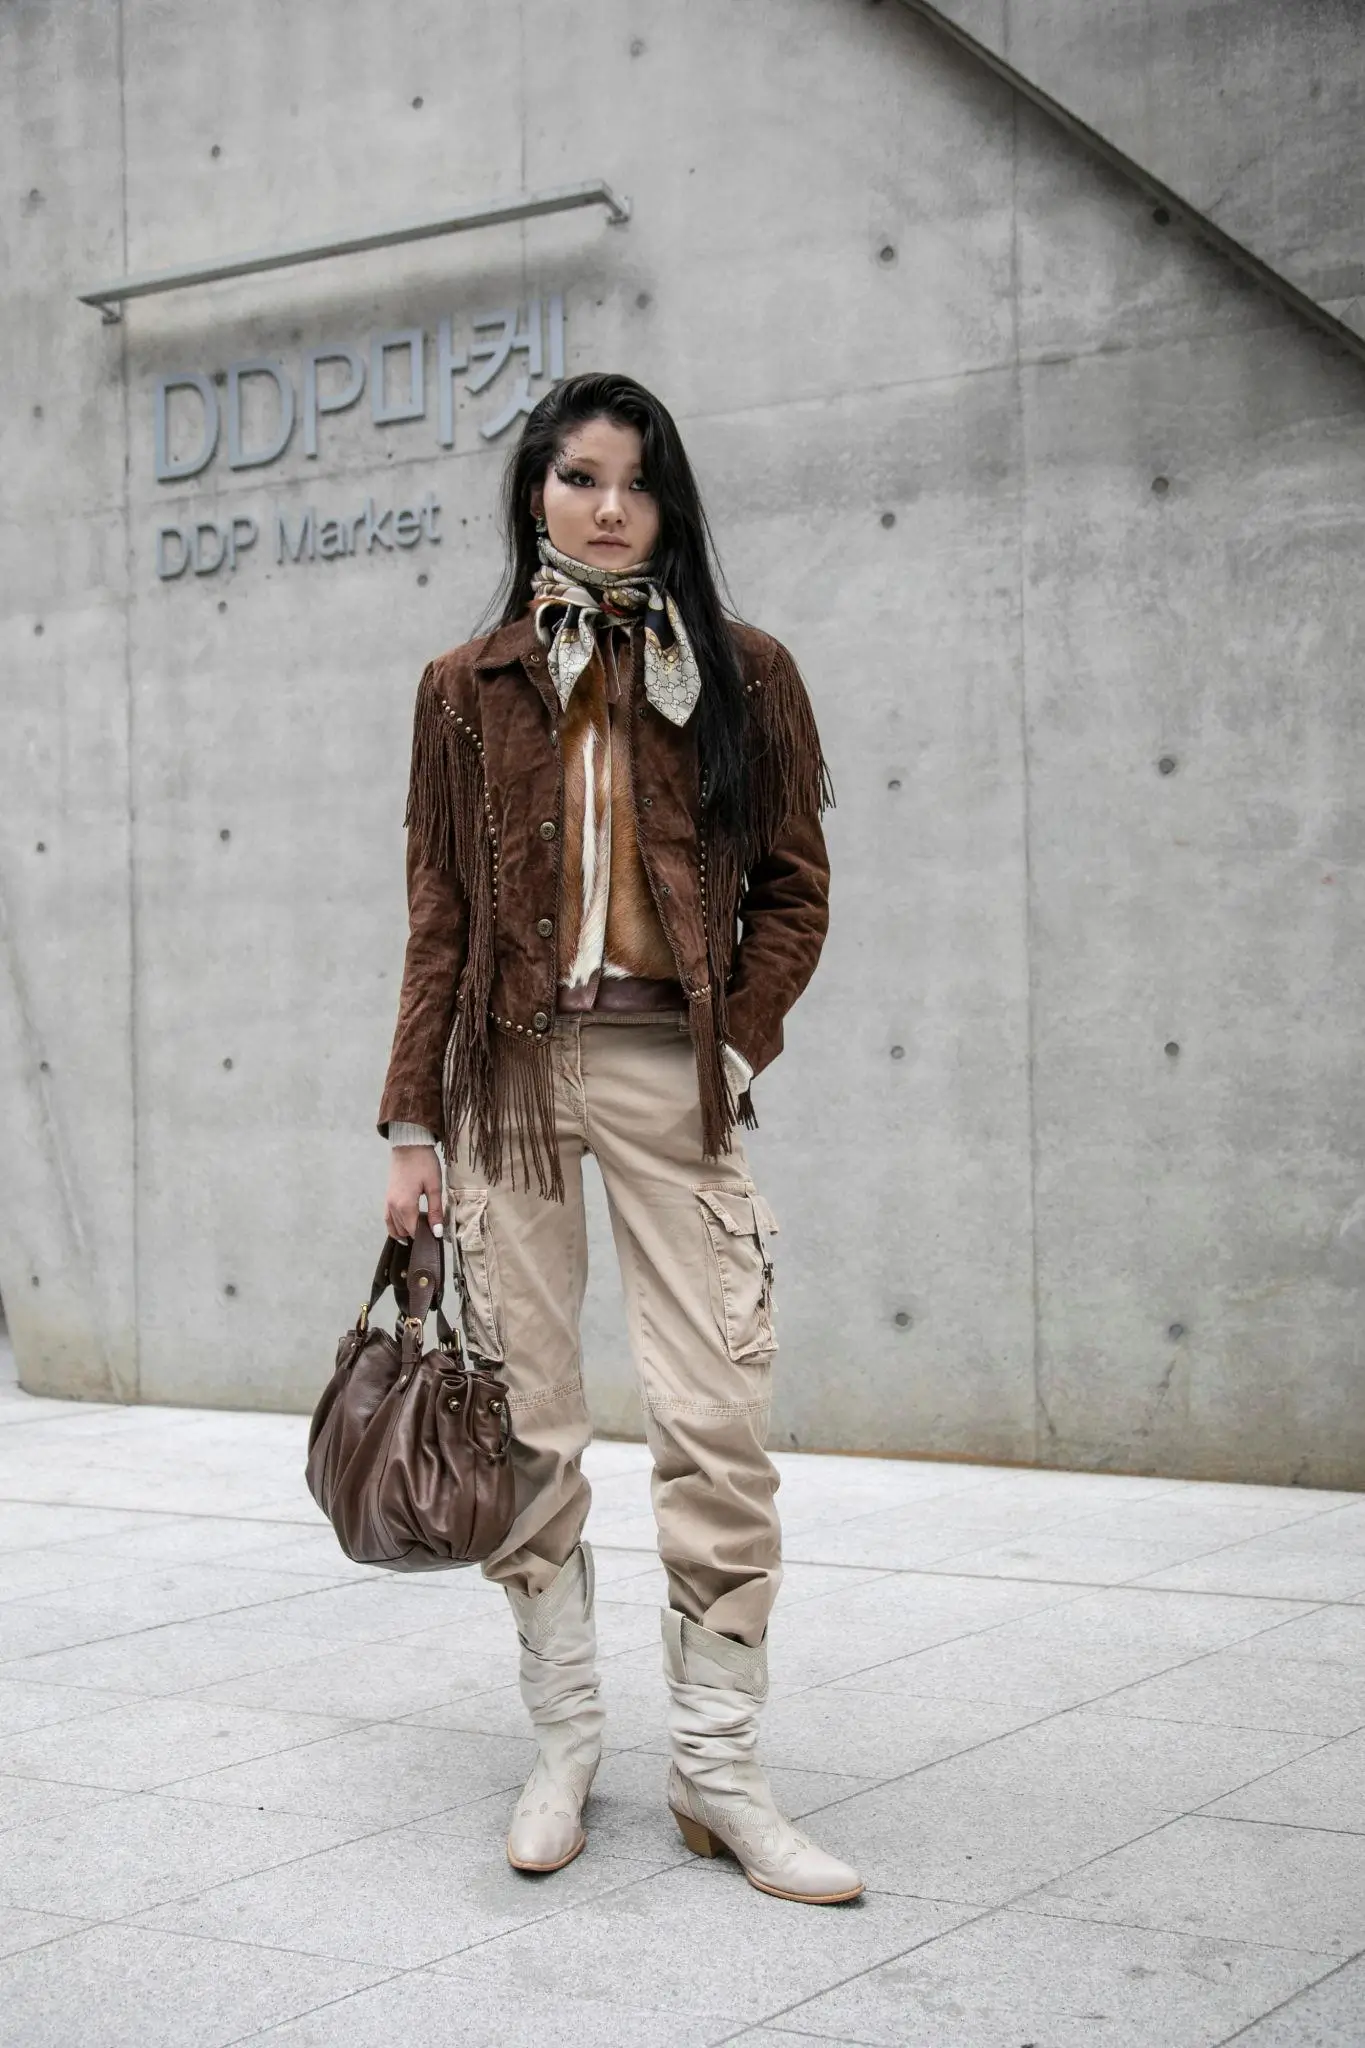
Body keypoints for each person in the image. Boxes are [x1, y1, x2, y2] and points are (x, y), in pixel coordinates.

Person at [378, 371, 861, 1905]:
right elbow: (440, 917)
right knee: (530, 1417)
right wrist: (410, 1119)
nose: (607, 506)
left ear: (670, 503)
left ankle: (718, 1770)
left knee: (714, 1415)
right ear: (535, 489)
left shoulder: (744, 672)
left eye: (636, 482)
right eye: (579, 476)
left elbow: (794, 888)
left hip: (671, 1065)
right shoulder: (465, 688)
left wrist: (737, 1038)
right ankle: (566, 1744)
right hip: (509, 1080)